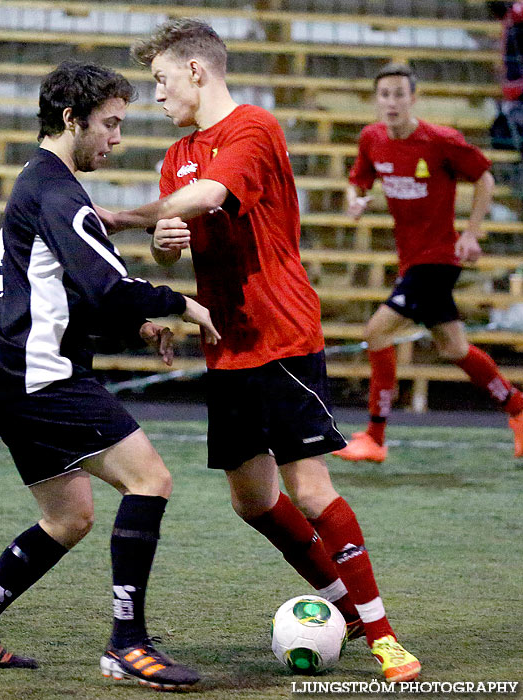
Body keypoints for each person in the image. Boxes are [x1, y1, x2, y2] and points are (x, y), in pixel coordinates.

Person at [101, 19, 420, 683]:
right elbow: (182, 222)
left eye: (161, 80)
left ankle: (383, 635)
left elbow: (212, 195)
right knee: (251, 499)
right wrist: (163, 243)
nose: (155, 96)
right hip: (228, 344)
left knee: (309, 487)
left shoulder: (254, 127)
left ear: (197, 70)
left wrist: (123, 216)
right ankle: (343, 605)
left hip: (281, 335)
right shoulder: (175, 155)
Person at [0, 60, 222, 691]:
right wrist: (178, 303)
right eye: (110, 124)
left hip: (11, 378)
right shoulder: (58, 189)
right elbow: (107, 288)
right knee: (149, 480)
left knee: (68, 518)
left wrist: (140, 319)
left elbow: (77, 287)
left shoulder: (45, 184)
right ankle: (127, 646)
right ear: (72, 119)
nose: (116, 138)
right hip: (44, 378)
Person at [332, 63, 523, 464]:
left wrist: (470, 233)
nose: (392, 102)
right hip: (411, 260)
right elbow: (359, 178)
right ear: (376, 100)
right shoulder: (372, 138)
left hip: (439, 258)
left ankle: (376, 437)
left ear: (413, 98)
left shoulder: (440, 140)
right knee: (453, 347)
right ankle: (517, 408)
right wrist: (356, 199)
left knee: (377, 331)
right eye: (384, 94)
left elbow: (485, 177)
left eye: (400, 94)